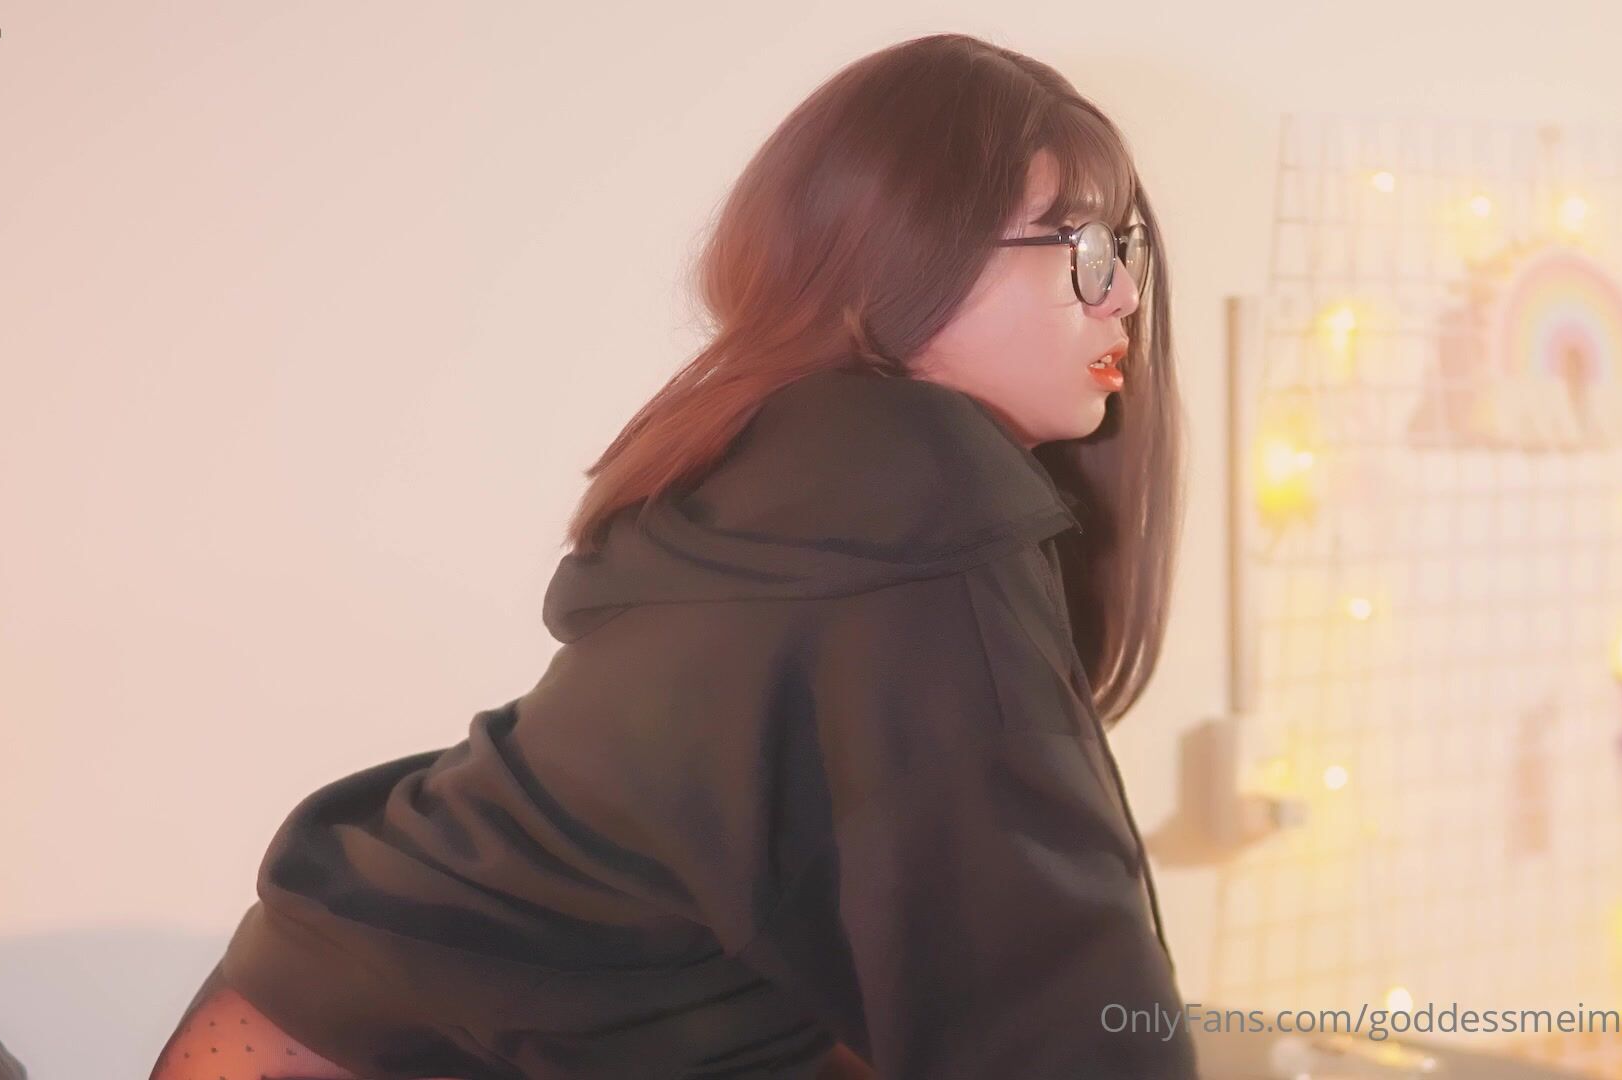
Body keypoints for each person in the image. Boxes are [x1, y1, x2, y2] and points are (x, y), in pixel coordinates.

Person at [150, 30, 1193, 1080]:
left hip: (310, 1010)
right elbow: (1054, 999)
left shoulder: (785, 466)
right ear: (906, 252)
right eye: (1080, 247)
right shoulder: (917, 491)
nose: (1122, 296)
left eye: (1124, 248)